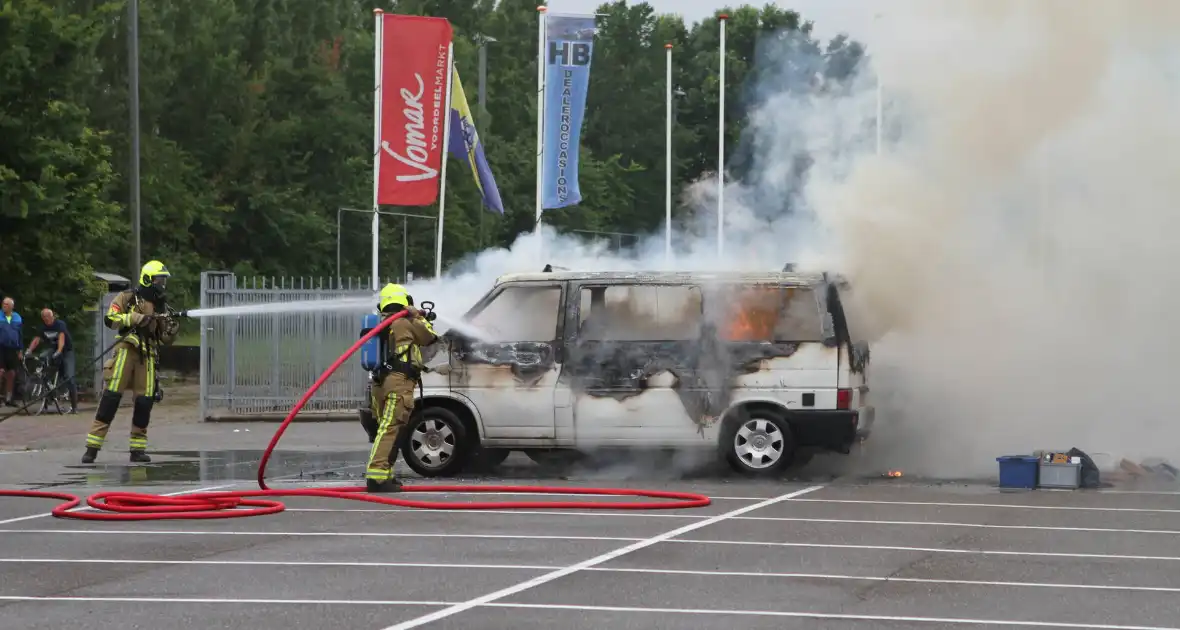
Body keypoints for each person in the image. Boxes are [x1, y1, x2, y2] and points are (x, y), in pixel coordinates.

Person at [84, 260, 180, 464]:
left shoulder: (162, 305)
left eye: (164, 280)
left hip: (148, 355)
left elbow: (164, 338)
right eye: (159, 279)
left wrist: (171, 330)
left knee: (145, 401)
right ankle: (92, 448)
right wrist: (135, 318)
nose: (162, 284)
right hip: (127, 349)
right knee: (111, 397)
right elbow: (111, 319)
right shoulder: (128, 297)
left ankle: (137, 449)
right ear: (147, 279)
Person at [365, 283, 438, 492]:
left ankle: (385, 474)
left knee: (387, 429)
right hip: (398, 381)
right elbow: (429, 337)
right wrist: (418, 316)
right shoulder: (404, 322)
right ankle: (377, 477)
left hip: (381, 382)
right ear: (406, 301)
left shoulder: (383, 323)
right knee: (391, 428)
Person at [26, 308, 78, 414]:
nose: (46, 319)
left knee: (69, 376)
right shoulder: (43, 328)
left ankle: (74, 407)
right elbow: (36, 340)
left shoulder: (59, 324)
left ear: (52, 316)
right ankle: (47, 397)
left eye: (48, 317)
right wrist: (29, 350)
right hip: (53, 349)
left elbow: (61, 338)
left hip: (66, 351)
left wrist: (59, 351)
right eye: (44, 317)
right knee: (42, 358)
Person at [0, 297, 23, 407]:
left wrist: (20, 349)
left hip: (13, 347)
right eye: (4, 304)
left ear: (12, 306)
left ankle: (9, 397)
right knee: (0, 371)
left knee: (12, 373)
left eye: (7, 304)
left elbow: (19, 334)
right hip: (1, 346)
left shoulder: (17, 317)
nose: (5, 306)